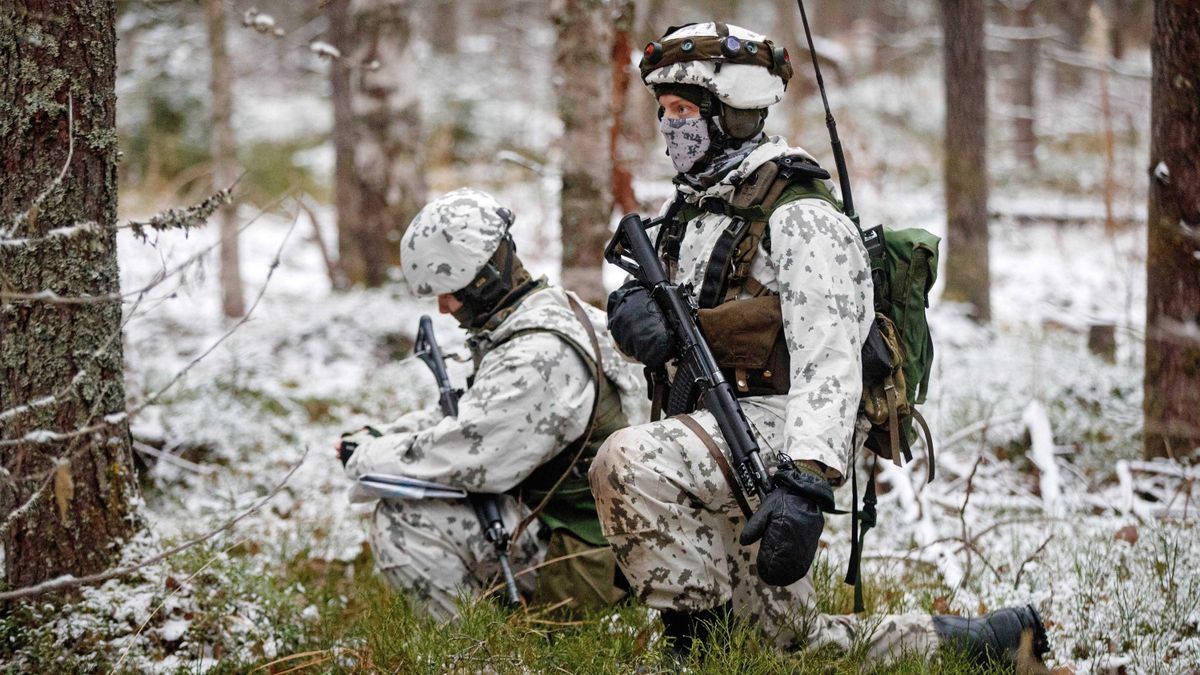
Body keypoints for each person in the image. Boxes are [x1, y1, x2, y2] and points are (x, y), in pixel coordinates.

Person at [591, 21, 1049, 666]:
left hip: (782, 432)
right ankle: (990, 643)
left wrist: (806, 482)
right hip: (711, 426)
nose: (672, 127)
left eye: (686, 110)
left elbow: (831, 364)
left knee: (630, 462)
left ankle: (694, 654)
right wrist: (631, 313)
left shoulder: (801, 217)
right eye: (665, 111)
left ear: (733, 111)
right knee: (787, 644)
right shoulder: (695, 208)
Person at [338, 188, 646, 619]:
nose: (444, 309)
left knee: (403, 521)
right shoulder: (552, 310)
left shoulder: (537, 354)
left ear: (484, 278)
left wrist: (368, 457)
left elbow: (472, 457)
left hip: (590, 556)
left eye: (451, 292)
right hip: (595, 533)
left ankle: (470, 654)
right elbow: (474, 414)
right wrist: (389, 437)